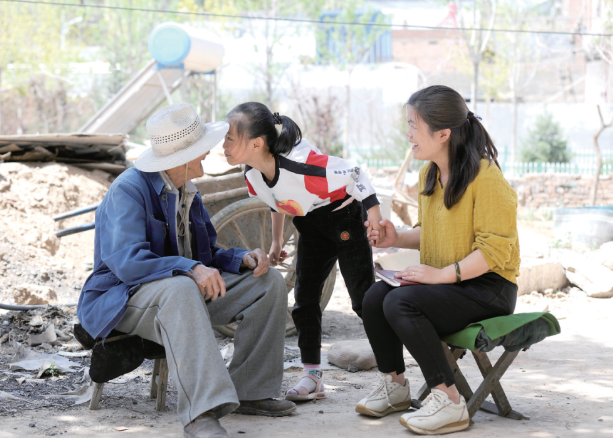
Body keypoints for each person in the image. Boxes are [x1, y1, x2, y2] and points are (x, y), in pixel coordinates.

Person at [76, 103, 296, 438]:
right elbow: (127, 262)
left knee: (266, 283)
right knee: (179, 288)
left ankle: (251, 391)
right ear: (181, 157)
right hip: (122, 300)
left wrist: (241, 259)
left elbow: (207, 253)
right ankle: (201, 414)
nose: (209, 151)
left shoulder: (185, 191)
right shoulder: (129, 190)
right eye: (201, 148)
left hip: (176, 294)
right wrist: (189, 267)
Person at [358, 85, 520, 435]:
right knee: (374, 297)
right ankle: (395, 387)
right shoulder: (428, 174)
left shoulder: (486, 177)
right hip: (449, 283)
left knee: (402, 302)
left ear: (443, 134)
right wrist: (396, 237)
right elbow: (431, 230)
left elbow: (495, 252)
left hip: (489, 287)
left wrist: (442, 275)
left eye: (414, 125)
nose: (408, 133)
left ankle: (449, 402)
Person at [222, 102, 383, 401]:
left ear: (257, 143)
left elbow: (355, 173)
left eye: (230, 137)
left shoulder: (301, 163)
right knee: (304, 300)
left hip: (345, 217)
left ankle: (392, 376)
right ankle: (313, 377)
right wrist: (277, 240)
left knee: (362, 300)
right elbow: (277, 197)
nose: (224, 144)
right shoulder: (252, 174)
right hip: (310, 225)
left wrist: (374, 215)